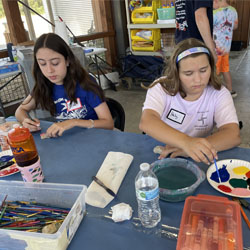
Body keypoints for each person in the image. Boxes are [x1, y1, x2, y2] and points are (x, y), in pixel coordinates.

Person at [139, 38, 241, 165]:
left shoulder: (219, 93)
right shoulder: (161, 87)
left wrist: (190, 148)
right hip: (160, 150)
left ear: (211, 67)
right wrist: (186, 142)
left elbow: (233, 134)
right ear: (176, 73)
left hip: (196, 154)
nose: (198, 80)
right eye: (188, 73)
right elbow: (147, 121)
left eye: (203, 70)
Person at [15, 33, 114, 137]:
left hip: (95, 137)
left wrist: (74, 122)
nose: (49, 70)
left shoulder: (85, 83)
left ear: (67, 61)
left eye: (55, 63)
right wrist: (25, 120)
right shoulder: (44, 86)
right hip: (68, 140)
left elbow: (108, 123)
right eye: (43, 64)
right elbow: (20, 110)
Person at [213, 0, 238, 98]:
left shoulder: (214, 13)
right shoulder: (233, 10)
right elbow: (235, 26)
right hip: (226, 48)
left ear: (216, 1)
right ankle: (230, 90)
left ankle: (215, 93)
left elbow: (208, 28)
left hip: (216, 48)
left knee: (216, 71)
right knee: (225, 69)